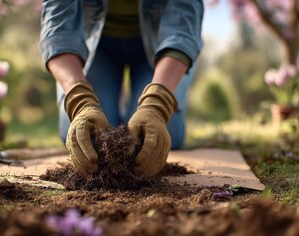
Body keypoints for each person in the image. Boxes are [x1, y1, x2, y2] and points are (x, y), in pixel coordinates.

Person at [39, 0, 203, 178]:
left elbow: (182, 30)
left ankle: (131, 111)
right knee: (86, 138)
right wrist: (80, 100)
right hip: (93, 46)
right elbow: (58, 30)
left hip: (160, 48)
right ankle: (126, 112)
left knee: (157, 138)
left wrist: (157, 104)